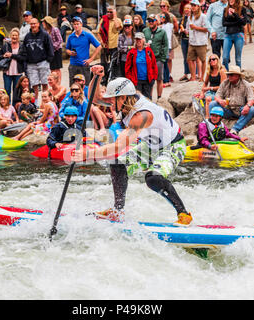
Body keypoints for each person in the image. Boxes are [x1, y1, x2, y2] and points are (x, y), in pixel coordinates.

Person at [72, 65, 192, 226]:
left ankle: (183, 214)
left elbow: (117, 147)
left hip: (173, 145)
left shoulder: (142, 115)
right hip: (152, 143)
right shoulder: (126, 100)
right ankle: (117, 211)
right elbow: (94, 99)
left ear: (122, 98)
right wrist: (96, 77)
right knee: (117, 162)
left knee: (153, 178)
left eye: (112, 100)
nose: (109, 104)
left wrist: (87, 155)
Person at [208, 65, 254, 135]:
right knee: (213, 104)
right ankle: (212, 127)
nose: (228, 76)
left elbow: (252, 99)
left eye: (231, 75)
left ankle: (235, 129)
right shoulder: (225, 83)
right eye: (228, 75)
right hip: (228, 109)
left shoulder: (246, 85)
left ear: (237, 76)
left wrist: (248, 106)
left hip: (241, 111)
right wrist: (220, 101)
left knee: (252, 109)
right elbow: (217, 96)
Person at [21, 18, 54, 101]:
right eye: (31, 24)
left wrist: (48, 60)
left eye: (34, 23)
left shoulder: (45, 35)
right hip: (31, 64)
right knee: (34, 84)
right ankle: (35, 103)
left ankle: (45, 101)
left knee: (45, 83)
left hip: (43, 62)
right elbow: (24, 49)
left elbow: (50, 48)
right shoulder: (27, 36)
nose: (33, 25)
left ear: (38, 24)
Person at [66, 16, 101, 86]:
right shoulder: (70, 36)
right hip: (73, 65)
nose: (76, 26)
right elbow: (67, 49)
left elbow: (99, 46)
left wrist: (91, 59)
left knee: (86, 86)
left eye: (77, 24)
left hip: (84, 65)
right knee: (73, 86)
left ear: (81, 24)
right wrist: (70, 52)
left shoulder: (87, 35)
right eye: (74, 24)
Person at [125, 32, 158, 99]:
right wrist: (130, 79)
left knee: (148, 100)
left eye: (139, 39)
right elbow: (127, 68)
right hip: (136, 81)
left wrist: (153, 78)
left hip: (147, 80)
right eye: (137, 39)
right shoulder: (131, 52)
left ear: (143, 40)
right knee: (137, 100)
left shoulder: (149, 51)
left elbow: (154, 65)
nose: (138, 41)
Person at [143, 14, 169, 100]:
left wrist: (163, 58)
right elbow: (140, 43)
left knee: (159, 79)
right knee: (149, 80)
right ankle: (149, 98)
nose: (150, 22)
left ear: (156, 22)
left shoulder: (162, 32)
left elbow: (165, 45)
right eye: (149, 21)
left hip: (158, 59)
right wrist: (144, 45)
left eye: (152, 21)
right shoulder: (145, 31)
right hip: (147, 59)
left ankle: (159, 98)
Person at [0, 27, 24, 102]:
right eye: (13, 35)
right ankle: (7, 108)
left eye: (16, 35)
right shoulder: (6, 45)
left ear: (18, 36)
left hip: (18, 72)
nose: (14, 37)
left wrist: (12, 55)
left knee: (16, 92)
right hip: (7, 72)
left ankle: (15, 108)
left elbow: (24, 58)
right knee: (7, 92)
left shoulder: (22, 46)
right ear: (10, 36)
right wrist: (3, 56)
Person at [97, 6, 123, 78]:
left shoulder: (118, 20)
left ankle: (113, 78)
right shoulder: (103, 19)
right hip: (105, 46)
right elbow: (98, 32)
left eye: (110, 12)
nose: (108, 13)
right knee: (103, 63)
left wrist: (114, 16)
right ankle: (104, 78)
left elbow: (118, 27)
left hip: (114, 46)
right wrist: (101, 40)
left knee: (114, 64)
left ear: (114, 12)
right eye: (107, 11)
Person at [222, 0, 247, 71]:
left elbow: (244, 22)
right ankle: (226, 75)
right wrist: (237, 21)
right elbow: (224, 23)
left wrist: (235, 13)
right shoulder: (225, 9)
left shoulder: (242, 9)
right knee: (225, 58)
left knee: (238, 58)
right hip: (228, 35)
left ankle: (237, 77)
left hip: (238, 35)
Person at [187, 0, 208, 82]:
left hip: (201, 42)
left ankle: (202, 78)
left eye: (194, 5)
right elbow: (188, 29)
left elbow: (206, 29)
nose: (192, 7)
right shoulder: (190, 17)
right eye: (191, 5)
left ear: (198, 6)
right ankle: (193, 77)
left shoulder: (203, 17)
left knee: (203, 60)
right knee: (190, 59)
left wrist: (195, 27)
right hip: (192, 42)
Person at [159, 0, 179, 83]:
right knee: (164, 60)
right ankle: (165, 75)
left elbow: (176, 28)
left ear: (167, 6)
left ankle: (168, 75)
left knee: (169, 59)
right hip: (162, 42)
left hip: (169, 41)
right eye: (161, 6)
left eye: (164, 6)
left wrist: (172, 32)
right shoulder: (159, 16)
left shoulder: (172, 16)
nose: (162, 7)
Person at [41, 16, 63, 83]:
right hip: (49, 52)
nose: (42, 24)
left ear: (47, 23)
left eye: (44, 22)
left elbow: (60, 40)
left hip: (57, 51)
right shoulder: (44, 31)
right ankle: (54, 82)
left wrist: (52, 47)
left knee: (57, 68)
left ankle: (58, 83)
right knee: (51, 68)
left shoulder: (55, 29)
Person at [159, 13, 174, 88]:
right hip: (165, 46)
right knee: (164, 64)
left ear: (166, 17)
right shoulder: (164, 25)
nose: (161, 18)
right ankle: (166, 80)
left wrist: (165, 47)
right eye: (160, 16)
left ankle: (166, 81)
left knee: (164, 63)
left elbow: (167, 37)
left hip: (166, 46)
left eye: (163, 17)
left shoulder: (167, 26)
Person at [179, 3, 191, 81]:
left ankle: (194, 74)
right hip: (184, 39)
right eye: (185, 8)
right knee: (185, 58)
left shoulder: (193, 18)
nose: (186, 10)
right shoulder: (183, 18)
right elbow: (179, 27)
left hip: (191, 40)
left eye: (188, 8)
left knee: (192, 58)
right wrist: (181, 30)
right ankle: (186, 73)